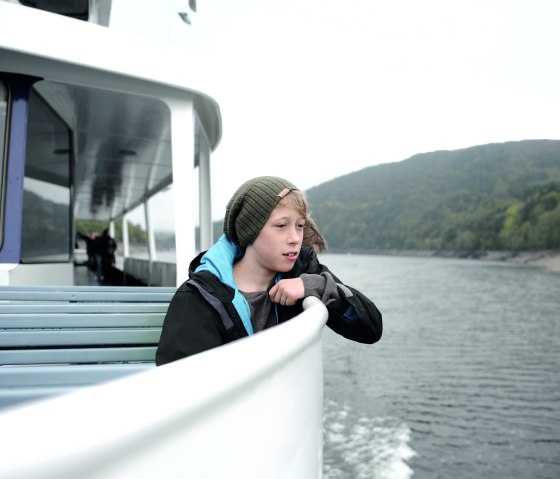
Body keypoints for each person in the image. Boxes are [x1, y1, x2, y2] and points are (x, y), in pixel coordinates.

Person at [156, 176, 382, 365]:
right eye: (281, 226)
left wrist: (314, 286)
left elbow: (371, 328)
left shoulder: (304, 271)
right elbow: (182, 386)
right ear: (249, 231)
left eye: (300, 226)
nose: (295, 239)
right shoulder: (201, 296)